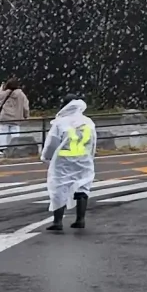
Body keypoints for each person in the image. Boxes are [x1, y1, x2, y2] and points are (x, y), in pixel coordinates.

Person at [40, 98, 97, 233]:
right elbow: (93, 141)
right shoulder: (88, 122)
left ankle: (57, 221)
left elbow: (52, 143)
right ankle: (80, 219)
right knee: (82, 187)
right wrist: (91, 156)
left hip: (63, 160)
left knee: (58, 188)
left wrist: (46, 157)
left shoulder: (60, 123)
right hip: (83, 159)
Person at [0, 78, 30, 158]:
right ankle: (15, 148)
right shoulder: (21, 94)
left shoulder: (5, 93)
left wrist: (0, 89)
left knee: (3, 133)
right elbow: (25, 106)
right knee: (15, 133)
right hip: (17, 118)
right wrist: (26, 115)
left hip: (5, 117)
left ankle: (1, 149)